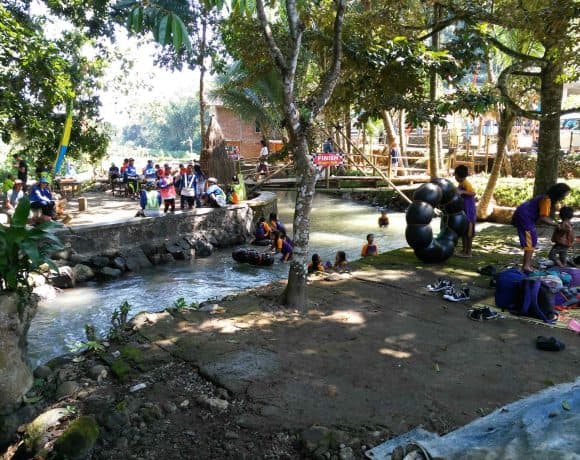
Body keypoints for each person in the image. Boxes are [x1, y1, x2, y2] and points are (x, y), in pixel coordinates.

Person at [512, 183, 571, 273]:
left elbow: (540, 218)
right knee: (530, 241)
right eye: (564, 195)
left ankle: (527, 265)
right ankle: (526, 266)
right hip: (524, 217)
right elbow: (543, 218)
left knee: (532, 240)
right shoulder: (546, 200)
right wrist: (557, 224)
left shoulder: (545, 198)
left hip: (524, 216)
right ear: (559, 193)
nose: (564, 198)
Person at [454, 165, 476, 257]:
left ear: (458, 176)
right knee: (464, 231)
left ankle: (469, 252)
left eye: (455, 175)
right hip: (464, 210)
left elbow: (473, 193)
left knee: (469, 233)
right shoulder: (461, 183)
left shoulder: (466, 183)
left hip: (469, 211)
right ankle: (464, 250)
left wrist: (462, 192)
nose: (454, 177)